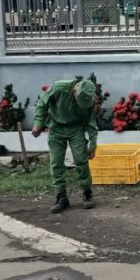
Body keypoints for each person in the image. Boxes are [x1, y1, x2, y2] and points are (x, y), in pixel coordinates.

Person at [32, 77, 98, 213]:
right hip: (56, 128)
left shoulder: (89, 97)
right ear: (74, 90)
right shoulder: (58, 88)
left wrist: (93, 143)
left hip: (76, 129)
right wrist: (39, 123)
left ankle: (87, 193)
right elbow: (42, 103)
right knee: (56, 162)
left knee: (81, 159)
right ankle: (61, 196)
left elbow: (91, 121)